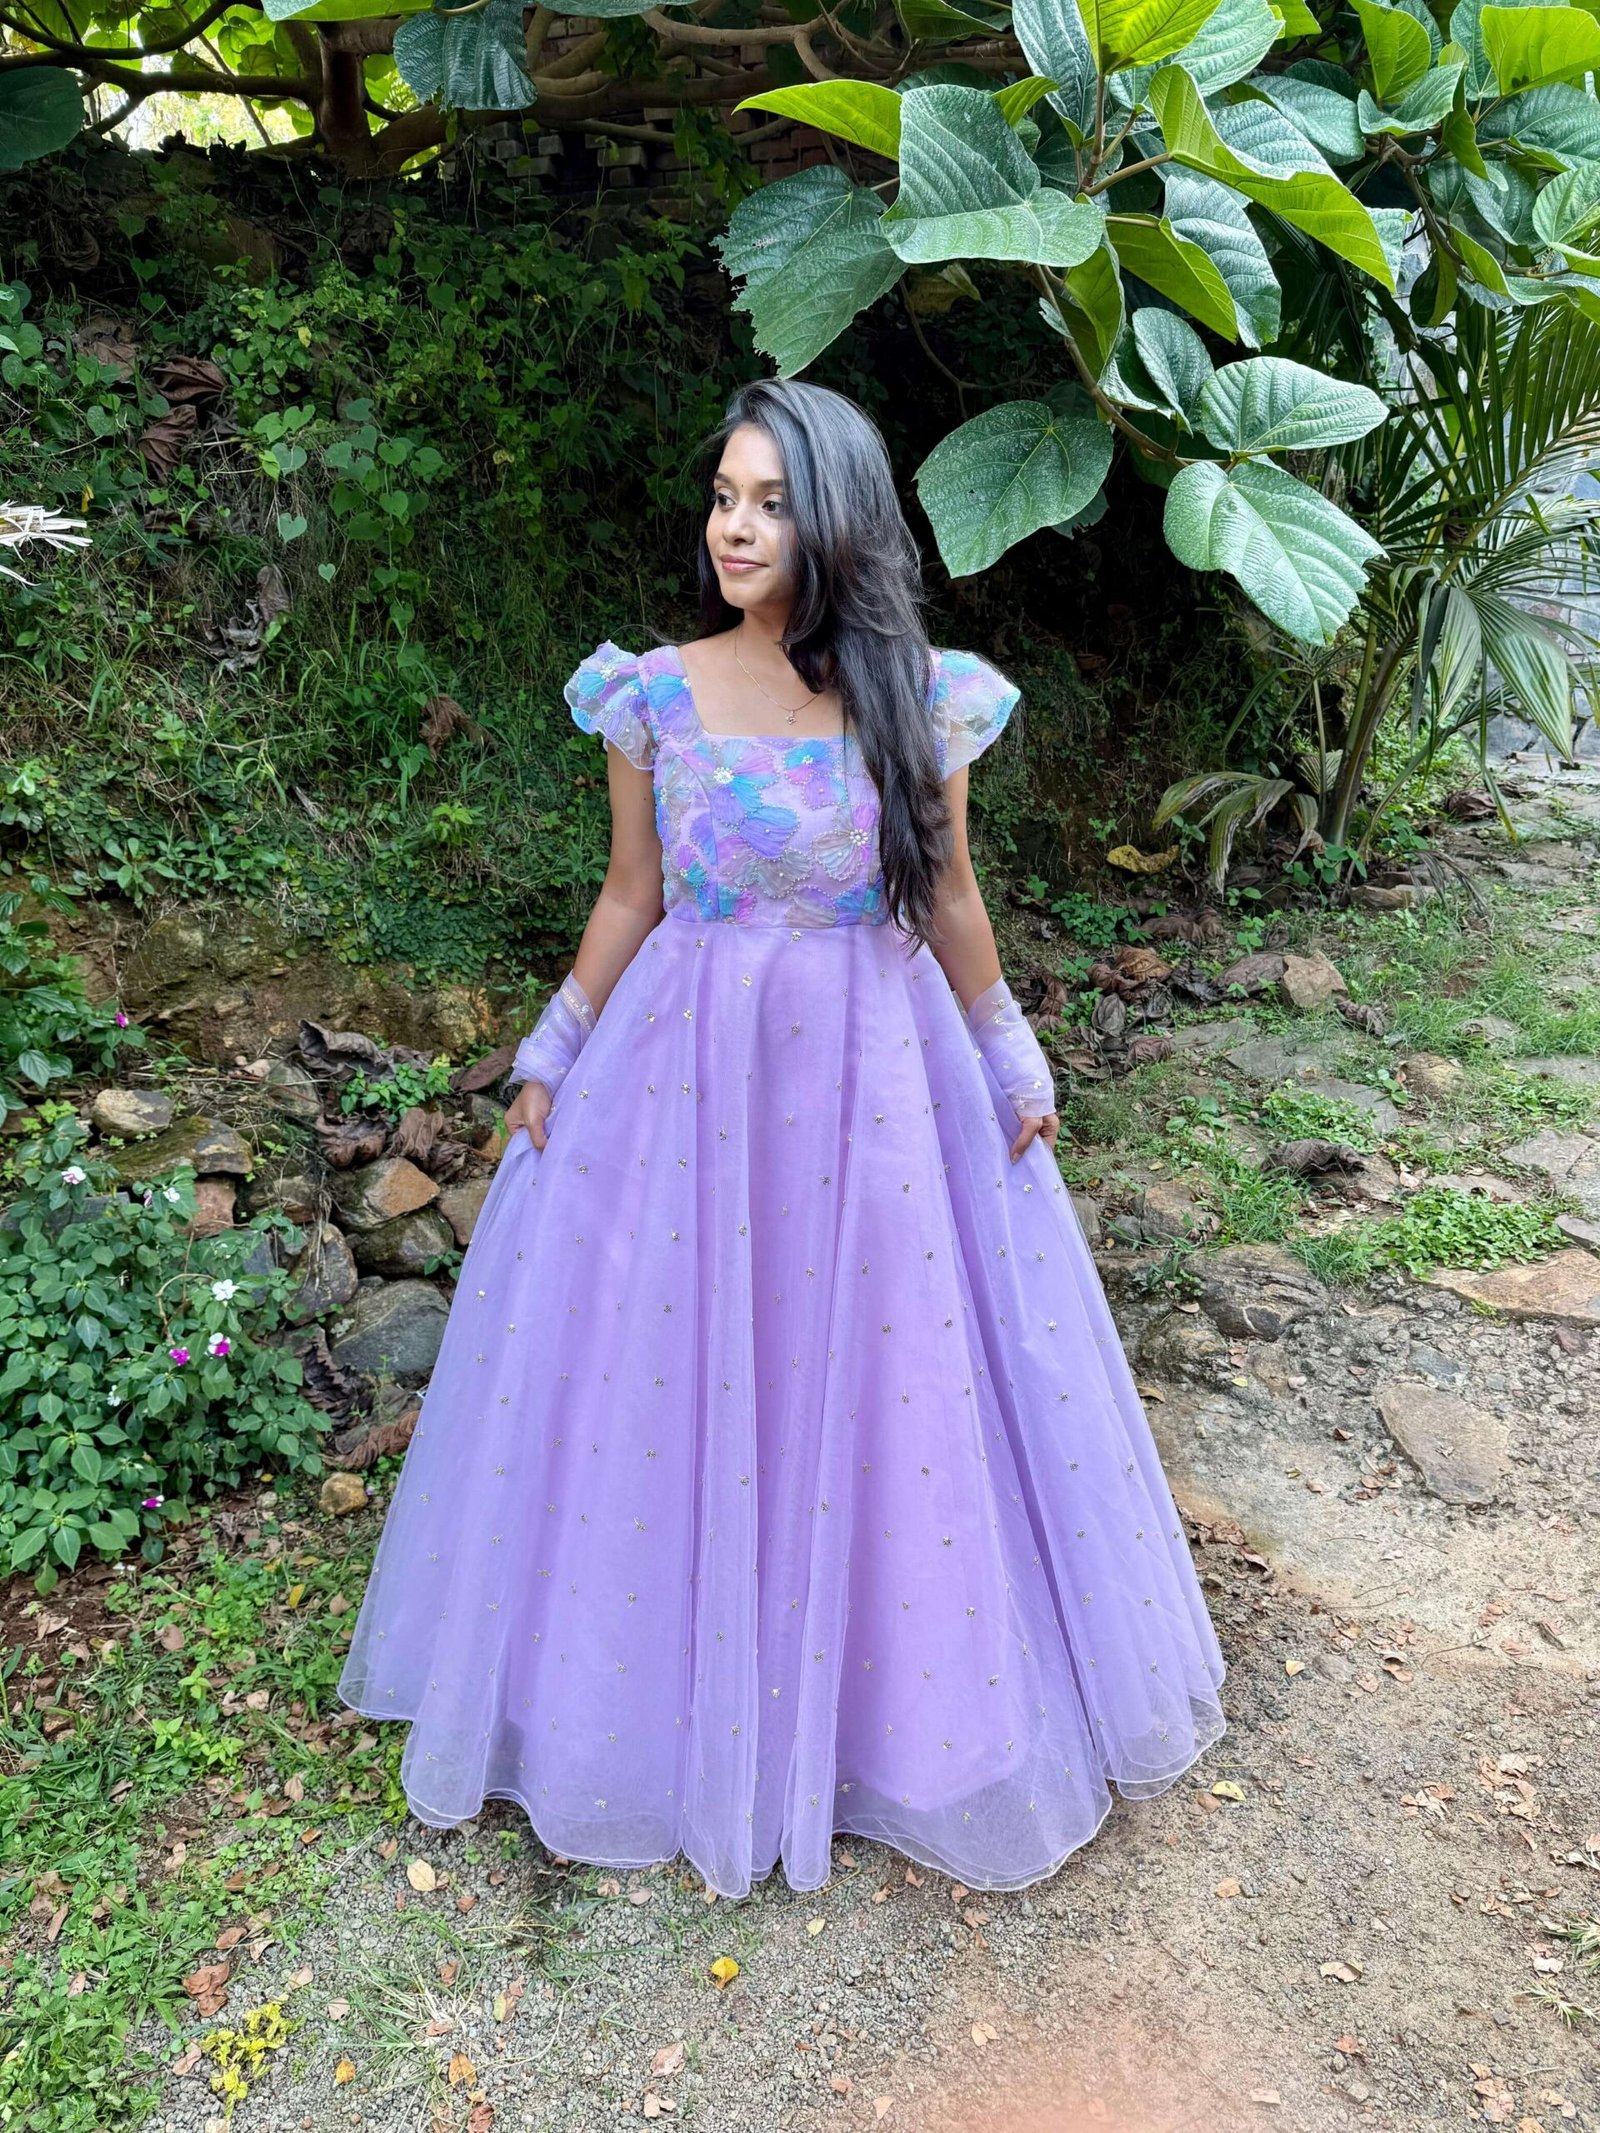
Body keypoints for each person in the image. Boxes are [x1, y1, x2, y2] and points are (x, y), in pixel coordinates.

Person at [337, 378, 1226, 1901]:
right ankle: (649, 1708)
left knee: (883, 1373)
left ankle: (889, 1720)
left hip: (878, 1079)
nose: (733, 528)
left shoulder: (925, 696)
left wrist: (1009, 1049)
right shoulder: (654, 694)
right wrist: (552, 1048)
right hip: (688, 1077)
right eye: (723, 498)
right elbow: (632, 893)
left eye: (770, 503)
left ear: (840, 523)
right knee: (668, 1373)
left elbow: (947, 894)